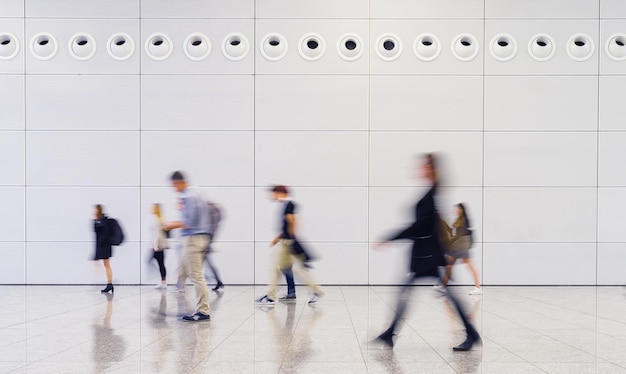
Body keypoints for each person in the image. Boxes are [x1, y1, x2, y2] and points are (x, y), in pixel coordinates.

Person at [374, 153, 480, 351]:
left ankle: (472, 334)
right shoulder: (432, 193)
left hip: (428, 256)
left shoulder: (431, 196)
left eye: (424, 166)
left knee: (430, 294)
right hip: (426, 254)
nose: (420, 169)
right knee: (414, 292)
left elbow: (420, 227)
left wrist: (390, 237)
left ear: (432, 170)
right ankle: (389, 333)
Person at [256, 185, 322, 305]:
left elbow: (291, 221)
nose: (272, 196)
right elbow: (288, 224)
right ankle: (316, 290)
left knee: (277, 268)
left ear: (280, 192)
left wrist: (290, 238)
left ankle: (270, 296)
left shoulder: (288, 205)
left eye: (274, 193)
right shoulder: (286, 204)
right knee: (296, 269)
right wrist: (279, 237)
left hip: (287, 243)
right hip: (286, 240)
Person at [162, 171, 211, 322]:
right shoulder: (193, 194)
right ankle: (178, 301)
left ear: (178, 182)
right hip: (194, 238)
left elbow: (189, 222)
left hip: (193, 239)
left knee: (196, 275)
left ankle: (204, 311)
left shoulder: (189, 196)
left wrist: (170, 225)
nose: (173, 189)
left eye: (173, 185)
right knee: (182, 271)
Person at [437, 203, 482, 295]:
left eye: (457, 209)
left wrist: (450, 243)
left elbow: (460, 234)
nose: (455, 210)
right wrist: (445, 225)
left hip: (460, 246)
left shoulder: (465, 220)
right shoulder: (458, 220)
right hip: (458, 246)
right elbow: (453, 232)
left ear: (461, 210)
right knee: (450, 265)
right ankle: (443, 287)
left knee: (464, 265)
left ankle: (477, 288)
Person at [93, 204, 114, 293]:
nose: (94, 211)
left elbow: (103, 234)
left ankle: (109, 284)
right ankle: (109, 284)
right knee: (106, 264)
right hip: (103, 246)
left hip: (104, 246)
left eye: (95, 210)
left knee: (106, 264)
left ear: (98, 210)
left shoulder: (103, 220)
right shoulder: (98, 220)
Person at [150, 203, 169, 289]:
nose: (152, 209)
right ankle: (163, 282)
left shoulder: (157, 220)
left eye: (153, 208)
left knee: (160, 263)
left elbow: (157, 234)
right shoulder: (159, 219)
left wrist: (155, 245)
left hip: (158, 245)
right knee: (160, 263)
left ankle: (163, 282)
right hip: (158, 245)